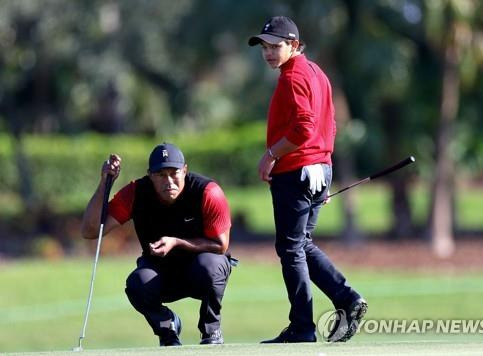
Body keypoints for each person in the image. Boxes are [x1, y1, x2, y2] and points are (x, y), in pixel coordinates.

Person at [248, 16, 367, 343]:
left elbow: (303, 128)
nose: (269, 53)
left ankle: (302, 326)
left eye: (276, 46)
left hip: (296, 170)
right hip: (316, 169)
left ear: (294, 46)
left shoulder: (292, 76)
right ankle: (347, 299)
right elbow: (329, 127)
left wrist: (271, 154)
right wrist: (323, 174)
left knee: (290, 248)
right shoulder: (317, 73)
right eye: (265, 47)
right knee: (299, 245)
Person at [81, 143, 233, 346]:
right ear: (150, 175)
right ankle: (167, 328)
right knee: (137, 284)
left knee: (211, 266)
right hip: (161, 273)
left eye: (174, 173)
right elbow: (90, 231)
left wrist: (177, 242)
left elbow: (220, 246)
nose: (168, 181)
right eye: (161, 174)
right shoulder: (136, 193)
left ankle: (211, 331)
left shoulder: (208, 192)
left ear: (185, 170)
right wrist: (104, 183)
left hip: (200, 272)